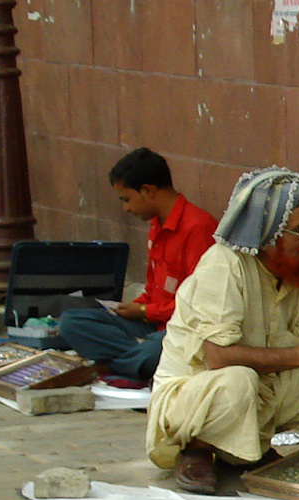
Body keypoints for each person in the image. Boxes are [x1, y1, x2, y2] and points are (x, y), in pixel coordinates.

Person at [145, 166, 299, 494]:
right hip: (196, 393)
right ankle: (197, 449)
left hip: (259, 385)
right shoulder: (223, 265)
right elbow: (218, 357)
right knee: (239, 381)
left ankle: (244, 449)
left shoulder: (297, 268)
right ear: (267, 234)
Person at [57, 148, 217, 383]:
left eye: (127, 199)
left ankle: (117, 363)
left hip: (181, 332)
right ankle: (134, 362)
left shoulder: (198, 227)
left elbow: (201, 307)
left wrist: (145, 311)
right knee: (72, 323)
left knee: (157, 350)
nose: (126, 208)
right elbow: (152, 290)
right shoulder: (156, 225)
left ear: (147, 191)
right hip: (153, 327)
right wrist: (134, 308)